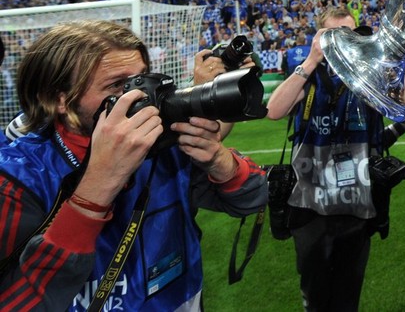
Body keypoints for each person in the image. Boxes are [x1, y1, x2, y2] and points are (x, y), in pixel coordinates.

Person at [0, 20, 267, 311]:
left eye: (142, 79)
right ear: (58, 99)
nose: (140, 96)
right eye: (118, 85)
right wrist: (97, 187)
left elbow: (253, 200)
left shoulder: (165, 145)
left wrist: (220, 162)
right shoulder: (17, 178)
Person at [266, 6, 390, 312]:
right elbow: (274, 110)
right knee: (316, 297)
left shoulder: (367, 77)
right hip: (310, 207)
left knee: (348, 298)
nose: (341, 42)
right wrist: (311, 60)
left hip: (357, 205)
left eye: (348, 34)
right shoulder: (310, 75)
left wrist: (372, 59)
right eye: (333, 35)